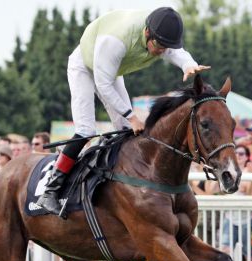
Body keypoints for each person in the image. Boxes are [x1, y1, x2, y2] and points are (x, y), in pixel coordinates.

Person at [37, 7, 210, 215]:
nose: (162, 52)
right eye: (159, 46)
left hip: (111, 71)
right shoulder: (115, 41)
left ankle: (119, 184)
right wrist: (132, 115)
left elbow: (175, 51)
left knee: (126, 131)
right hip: (84, 66)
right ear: (147, 33)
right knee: (86, 130)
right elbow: (104, 86)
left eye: (166, 47)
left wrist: (187, 65)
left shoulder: (158, 34)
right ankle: (50, 190)